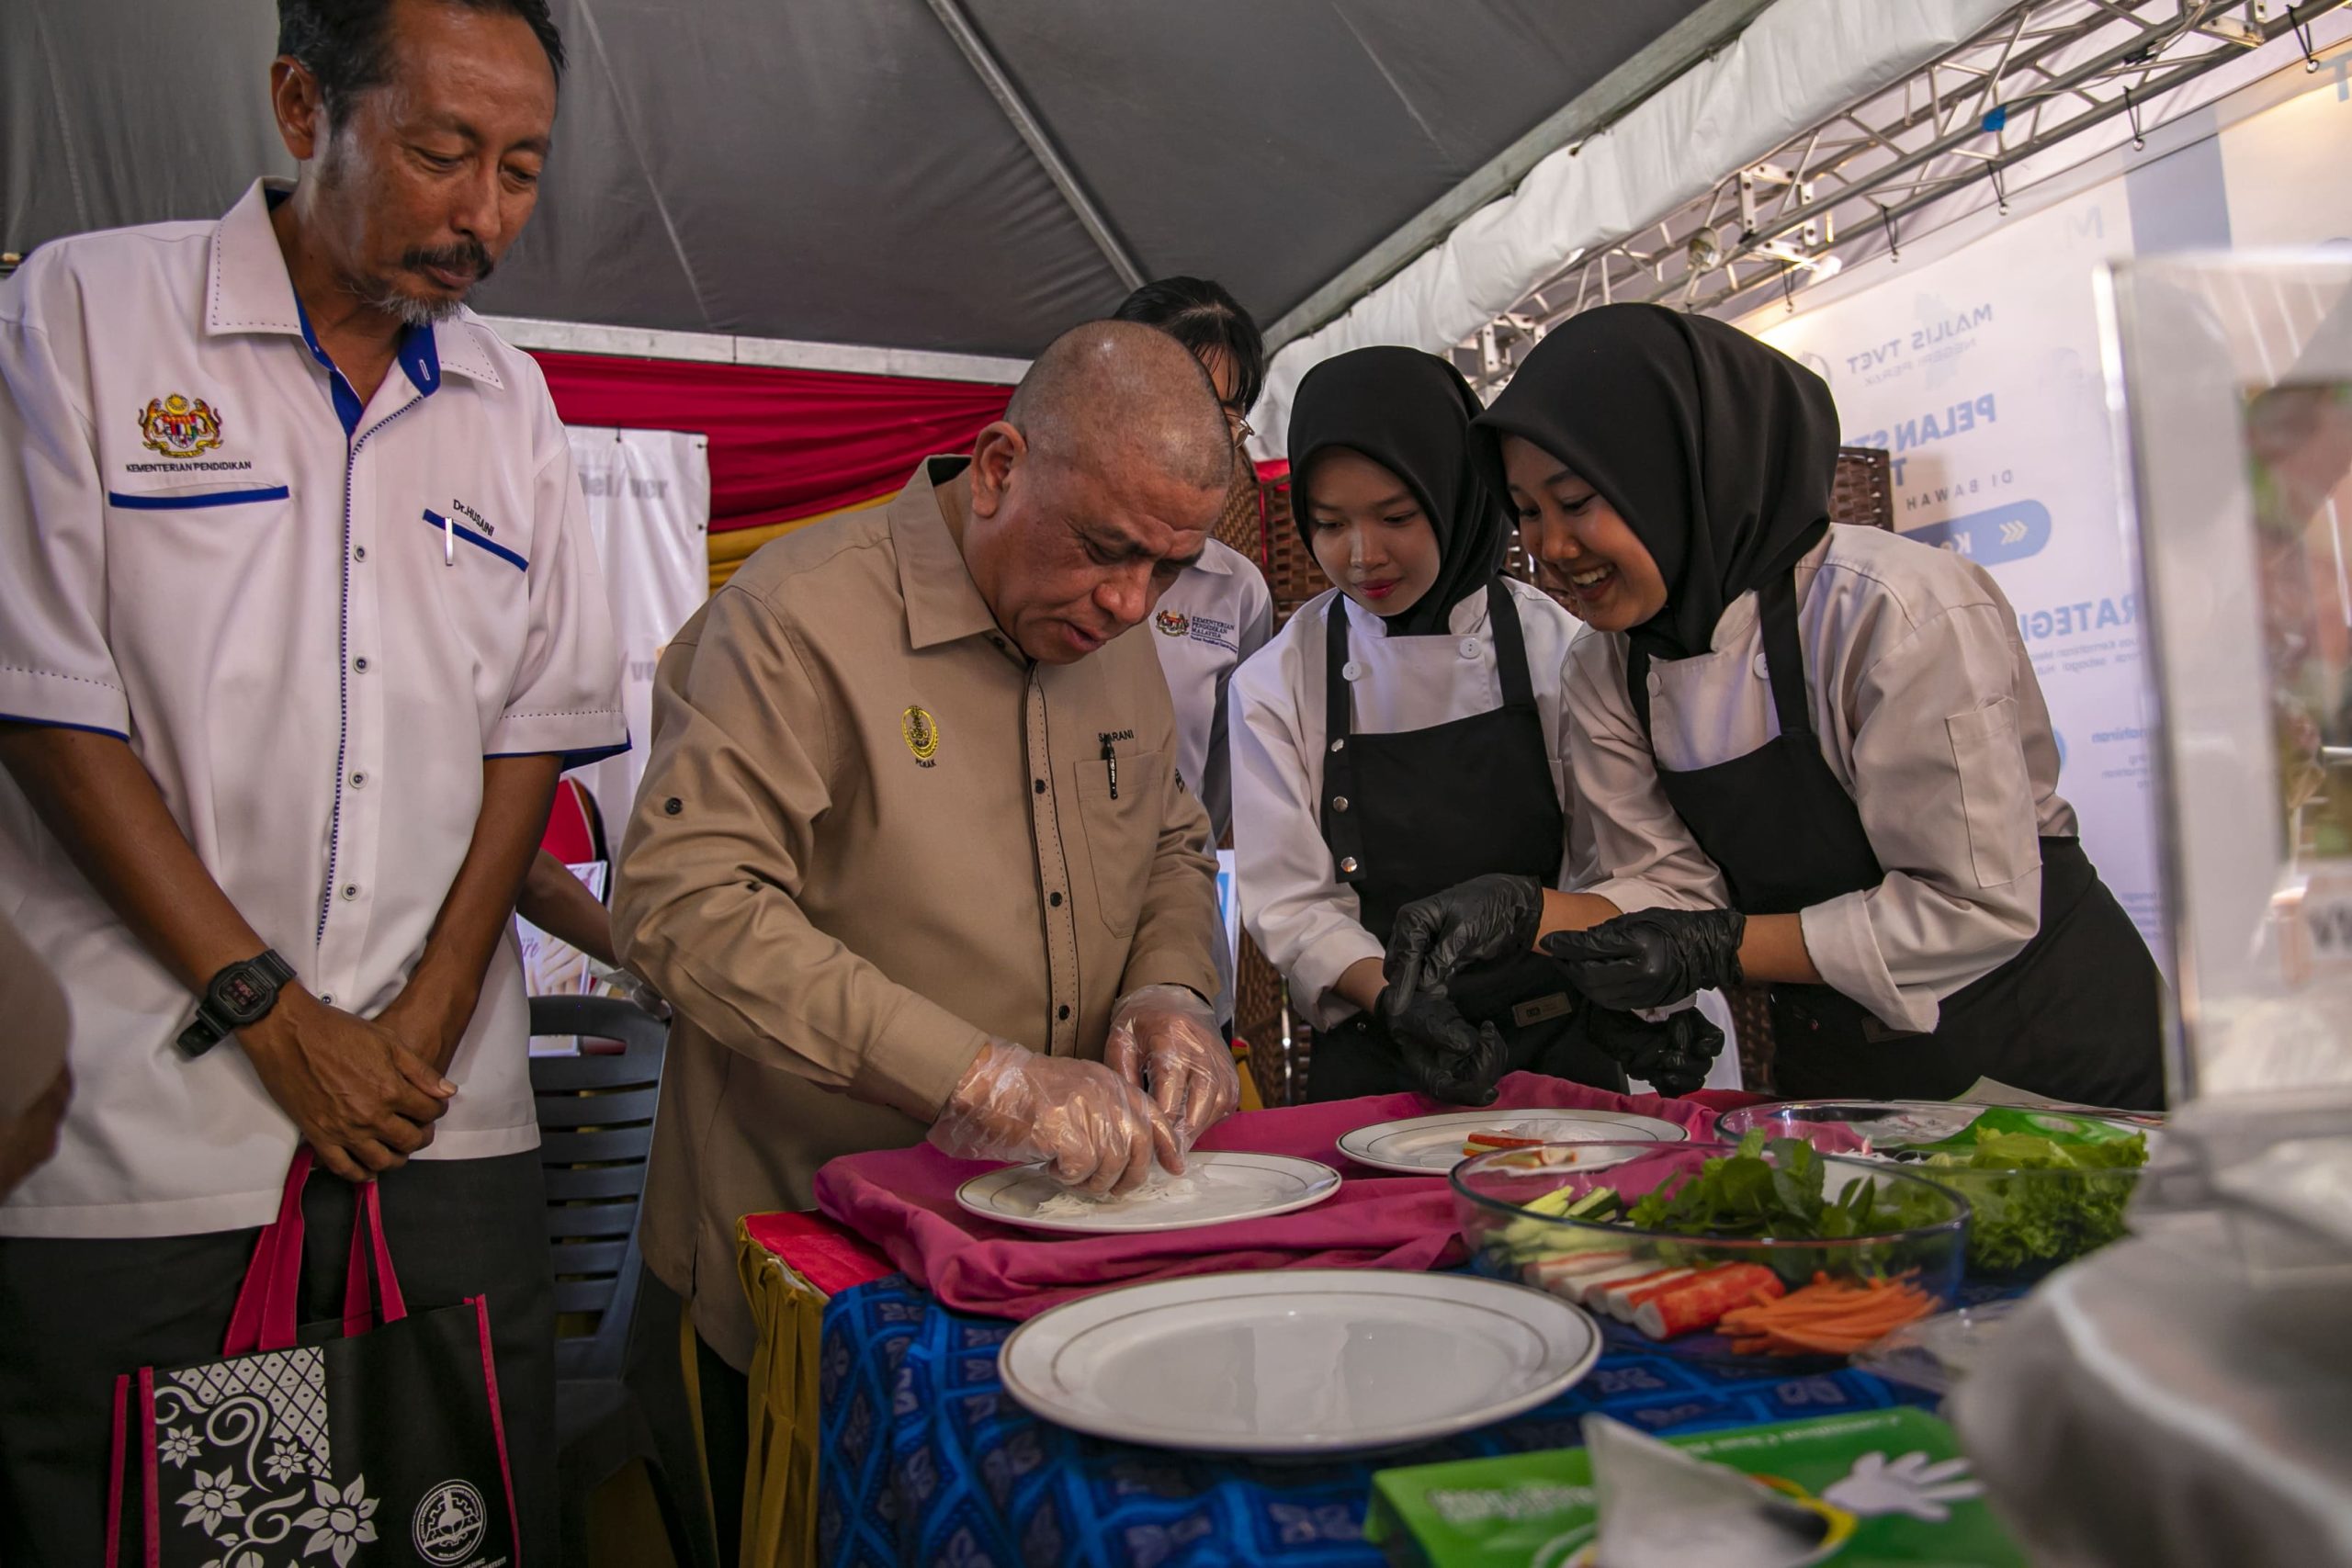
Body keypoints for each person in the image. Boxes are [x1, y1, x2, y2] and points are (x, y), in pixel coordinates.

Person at [0, 1, 625, 1558]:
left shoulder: (514, 408)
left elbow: (526, 736)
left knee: (445, 1510)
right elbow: (51, 710)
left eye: (523, 170)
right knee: (156, 1520)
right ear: (301, 104)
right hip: (156, 1124)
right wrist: (270, 1016)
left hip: (434, 1120)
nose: (483, 214)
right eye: (440, 154)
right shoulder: (89, 315)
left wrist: (420, 1019)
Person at [611, 320, 1242, 1552]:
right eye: (1108, 549)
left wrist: (1171, 983)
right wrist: (977, 1075)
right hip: (819, 1279)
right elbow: (686, 904)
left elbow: (1172, 838)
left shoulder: (1118, 647)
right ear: (999, 464)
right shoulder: (795, 618)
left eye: (1169, 570)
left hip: (1051, 1267)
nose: (1129, 601)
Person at [1390, 304, 2163, 1109]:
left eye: (1577, 499)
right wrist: (1528, 916)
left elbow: (1972, 907)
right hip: (1839, 1074)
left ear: (1684, 471)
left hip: (2049, 1054)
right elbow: (1668, 889)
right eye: (1528, 512)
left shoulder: (1893, 610)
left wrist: (1719, 947)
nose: (1549, 547)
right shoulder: (1607, 665)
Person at [1229, 345, 1724, 1105]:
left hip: (1559, 1043)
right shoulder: (1276, 681)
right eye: (1329, 524)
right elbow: (1293, 904)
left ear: (1456, 492)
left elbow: (1614, 865)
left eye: (1396, 516)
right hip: (1376, 1052)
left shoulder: (1562, 649)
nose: (1363, 556)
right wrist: (1397, 999)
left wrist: (1644, 999)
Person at [1111, 277, 1277, 1026]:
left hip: (1174, 902)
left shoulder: (1235, 590)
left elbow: (1219, 786)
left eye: (1223, 414)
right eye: (1173, 399)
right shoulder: (1046, 555)